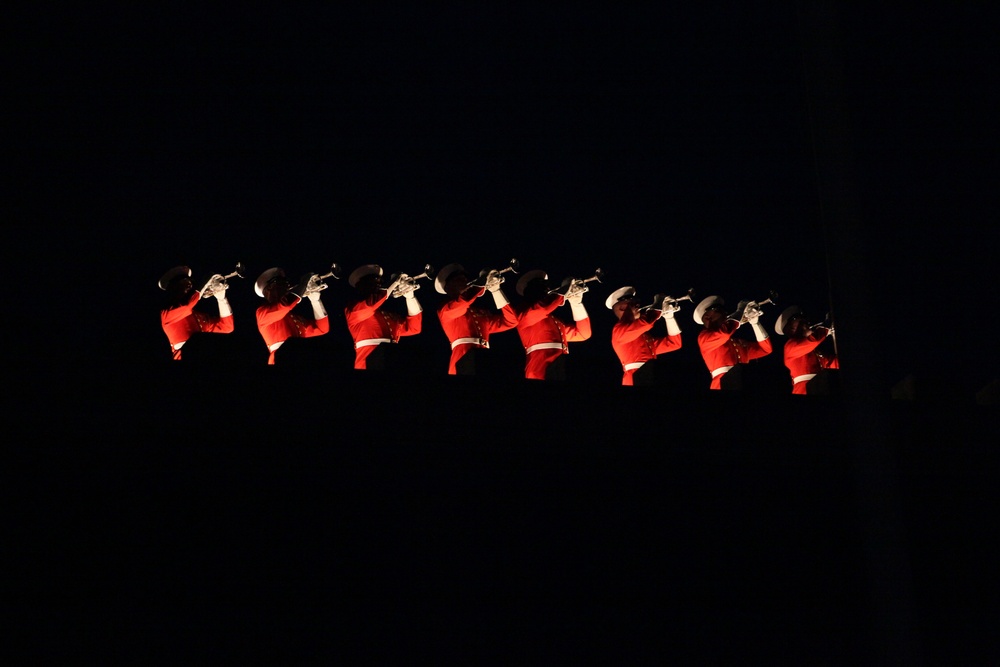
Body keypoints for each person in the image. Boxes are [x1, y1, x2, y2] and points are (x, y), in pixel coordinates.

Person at [435, 262, 518, 375]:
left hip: (485, 359)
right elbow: (464, 301)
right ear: (449, 287)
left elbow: (511, 321)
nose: (465, 280)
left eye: (465, 277)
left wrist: (496, 291)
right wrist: (481, 282)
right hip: (462, 359)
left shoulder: (480, 312)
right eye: (459, 279)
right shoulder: (445, 310)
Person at [514, 270, 592, 381]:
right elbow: (544, 308)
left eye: (546, 286)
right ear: (530, 291)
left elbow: (583, 334)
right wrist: (564, 290)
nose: (547, 289)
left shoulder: (555, 321)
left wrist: (576, 304)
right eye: (541, 286)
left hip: (559, 366)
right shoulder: (522, 313)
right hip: (540, 369)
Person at [344, 264, 422, 370]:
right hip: (369, 361)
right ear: (361, 286)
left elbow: (414, 328)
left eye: (379, 281)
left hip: (393, 359)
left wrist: (410, 297)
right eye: (373, 282)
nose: (378, 284)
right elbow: (372, 304)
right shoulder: (352, 309)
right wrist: (394, 282)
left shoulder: (388, 315)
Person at [606, 286, 682, 386]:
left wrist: (669, 317)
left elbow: (674, 343)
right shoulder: (619, 329)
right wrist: (658, 302)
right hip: (636, 376)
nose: (638, 305)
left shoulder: (642, 336)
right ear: (622, 308)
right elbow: (646, 323)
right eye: (633, 304)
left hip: (650, 373)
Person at [694, 295, 772, 390]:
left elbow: (765, 349)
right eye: (719, 310)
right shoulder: (704, 337)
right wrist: (740, 310)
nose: (725, 313)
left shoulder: (736, 342)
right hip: (721, 383)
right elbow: (724, 333)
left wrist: (755, 324)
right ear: (707, 317)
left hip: (744, 380)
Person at [255, 267, 330, 365]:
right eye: (282, 282)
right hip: (279, 359)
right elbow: (286, 305)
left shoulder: (293, 318)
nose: (288, 285)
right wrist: (303, 283)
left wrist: (315, 300)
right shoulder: (262, 312)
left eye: (287, 281)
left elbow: (322, 328)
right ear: (270, 288)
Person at [159, 265, 234, 360]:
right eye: (184, 282)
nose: (190, 285)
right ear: (173, 288)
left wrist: (221, 299)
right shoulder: (166, 314)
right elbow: (187, 306)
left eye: (190, 282)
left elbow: (227, 327)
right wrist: (204, 283)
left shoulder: (198, 316)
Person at [775, 305, 839, 394]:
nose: (808, 323)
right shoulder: (789, 346)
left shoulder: (813, 351)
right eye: (802, 322)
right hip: (805, 390)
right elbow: (814, 340)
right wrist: (826, 327)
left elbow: (830, 363)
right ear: (792, 329)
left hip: (822, 386)